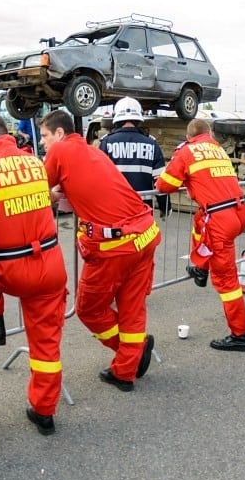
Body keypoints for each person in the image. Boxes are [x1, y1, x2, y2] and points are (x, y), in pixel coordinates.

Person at [0, 112, 68, 435]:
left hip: (10, 268)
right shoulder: (34, 162)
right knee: (46, 345)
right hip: (50, 265)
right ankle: (44, 412)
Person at [40, 110, 161, 391]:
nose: (43, 143)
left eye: (45, 136)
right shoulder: (92, 151)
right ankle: (125, 369)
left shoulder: (60, 152)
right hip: (144, 235)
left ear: (59, 133)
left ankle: (132, 353)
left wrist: (51, 195)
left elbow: (37, 189)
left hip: (115, 246)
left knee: (89, 309)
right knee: (131, 308)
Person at [156, 119, 245, 351]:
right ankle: (200, 267)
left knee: (227, 282)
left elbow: (165, 185)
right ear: (208, 133)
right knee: (200, 221)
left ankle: (239, 335)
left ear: (189, 136)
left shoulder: (187, 151)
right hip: (238, 210)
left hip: (220, 218)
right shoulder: (217, 148)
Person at [99, 97, 168, 215]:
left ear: (116, 118)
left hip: (115, 210)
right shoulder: (151, 144)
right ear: (139, 118)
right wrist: (165, 207)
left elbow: (99, 180)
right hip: (143, 210)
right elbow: (160, 182)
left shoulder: (106, 143)